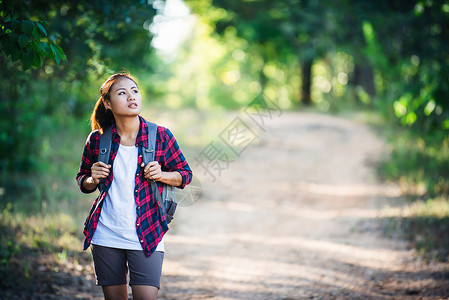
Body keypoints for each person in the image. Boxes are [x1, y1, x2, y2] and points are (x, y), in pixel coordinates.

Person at [76, 73, 192, 300]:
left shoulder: (160, 136)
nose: (131, 97)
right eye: (122, 93)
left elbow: (185, 175)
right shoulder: (97, 139)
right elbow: (83, 180)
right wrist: (92, 178)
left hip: (148, 231)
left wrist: (163, 175)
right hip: (106, 233)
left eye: (134, 91)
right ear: (107, 103)